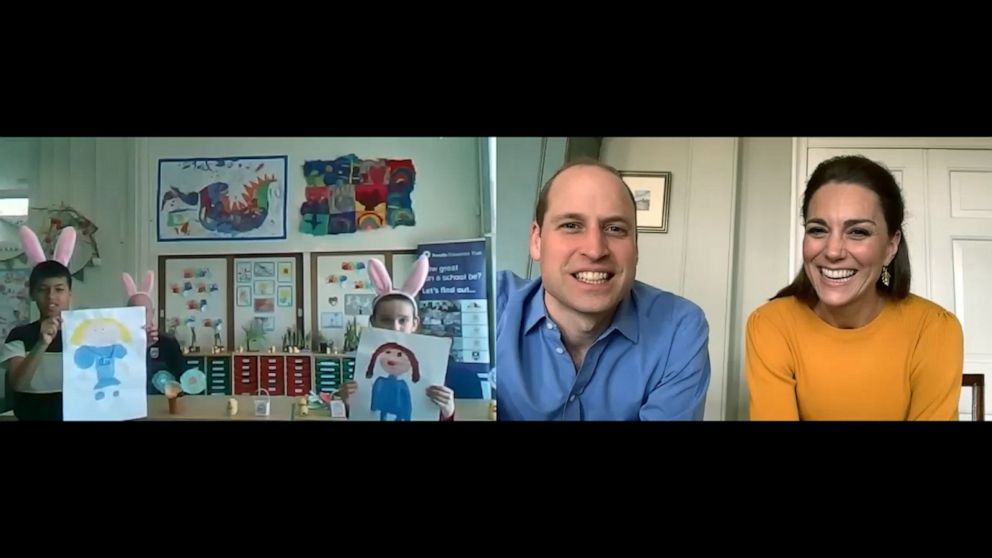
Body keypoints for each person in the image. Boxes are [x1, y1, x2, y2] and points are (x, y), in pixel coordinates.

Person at [746, 154, 964, 420]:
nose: (833, 251)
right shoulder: (771, 325)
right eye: (818, 230)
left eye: (858, 232)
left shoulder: (934, 330)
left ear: (891, 247)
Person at [496, 159, 711, 420]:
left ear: (636, 246)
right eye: (571, 225)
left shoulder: (679, 327)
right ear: (536, 241)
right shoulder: (490, 305)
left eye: (615, 229)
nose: (596, 249)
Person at [335, 254, 457, 421]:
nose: (395, 328)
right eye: (386, 320)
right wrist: (349, 405)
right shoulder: (364, 363)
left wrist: (447, 412)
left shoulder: (433, 367)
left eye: (403, 320)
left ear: (414, 324)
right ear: (373, 322)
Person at [0, 226, 77, 420]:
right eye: (43, 289)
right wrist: (41, 344)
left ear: (69, 294)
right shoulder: (19, 336)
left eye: (59, 289)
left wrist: (140, 343)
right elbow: (18, 383)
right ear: (33, 294)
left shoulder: (85, 332)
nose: (51, 297)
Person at [122, 271, 185, 394]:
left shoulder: (169, 343)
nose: (139, 316)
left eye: (144, 311)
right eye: (134, 311)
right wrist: (143, 347)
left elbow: (181, 381)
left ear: (153, 313)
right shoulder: (118, 344)